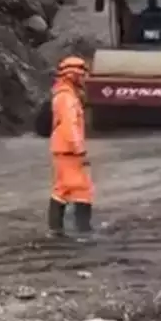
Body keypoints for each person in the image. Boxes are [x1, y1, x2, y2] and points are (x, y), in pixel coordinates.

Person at [48, 56, 94, 240]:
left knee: (63, 189)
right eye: (81, 74)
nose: (84, 78)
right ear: (72, 75)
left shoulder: (64, 94)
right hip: (69, 150)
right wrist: (80, 149)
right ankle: (83, 231)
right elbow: (70, 125)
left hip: (63, 149)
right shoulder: (67, 98)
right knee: (82, 189)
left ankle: (56, 229)